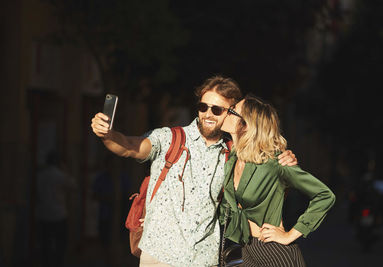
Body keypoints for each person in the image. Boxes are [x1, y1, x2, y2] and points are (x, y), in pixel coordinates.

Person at [90, 76, 298, 267]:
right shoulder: (169, 139)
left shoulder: (234, 154)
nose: (208, 114)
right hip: (159, 256)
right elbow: (129, 146)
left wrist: (284, 160)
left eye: (217, 109)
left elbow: (266, 190)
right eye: (203, 106)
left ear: (231, 113)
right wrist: (108, 135)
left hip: (204, 260)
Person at [220, 94, 336, 267]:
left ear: (245, 124)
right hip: (246, 249)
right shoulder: (232, 159)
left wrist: (290, 235)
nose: (226, 113)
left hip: (274, 252)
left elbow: (325, 196)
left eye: (232, 111)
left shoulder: (275, 162)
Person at [35, 150, 76, 267]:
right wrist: (66, 171)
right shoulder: (60, 175)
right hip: (59, 214)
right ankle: (58, 263)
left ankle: (46, 263)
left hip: (42, 213)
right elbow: (73, 185)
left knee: (45, 243)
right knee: (60, 243)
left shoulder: (40, 175)